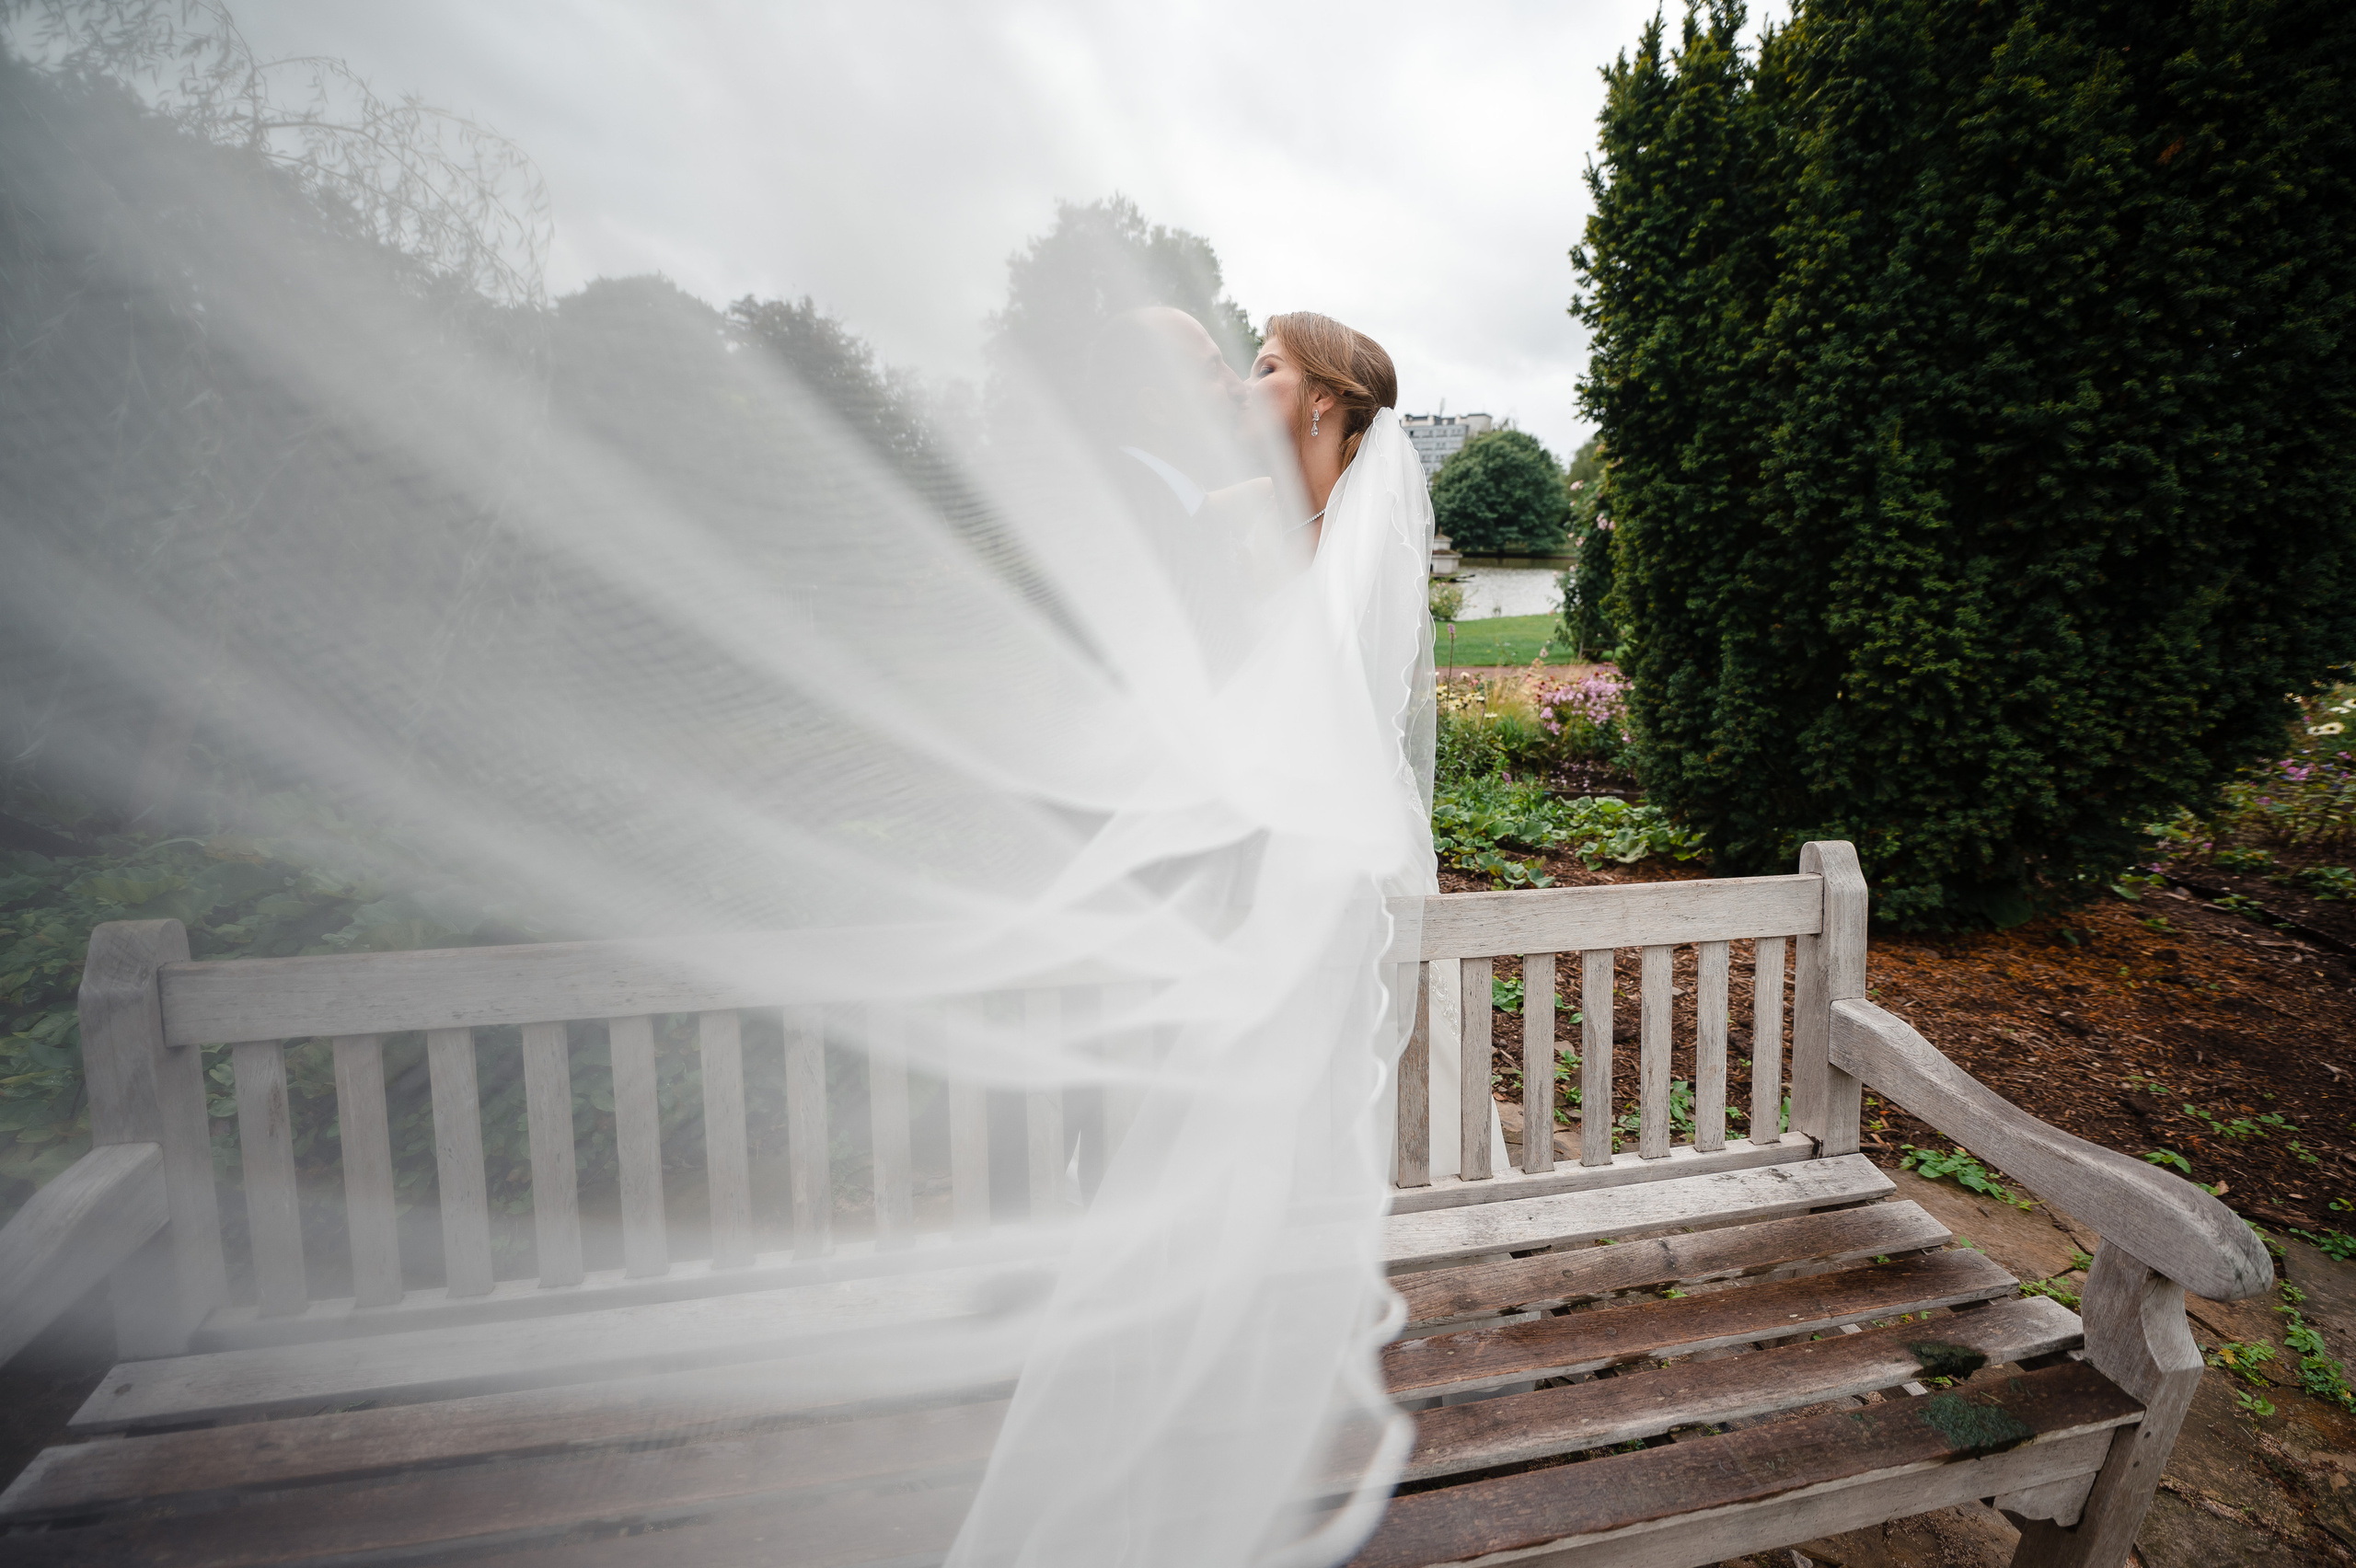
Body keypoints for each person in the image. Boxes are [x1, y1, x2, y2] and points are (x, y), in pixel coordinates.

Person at [1243, 310, 1512, 1182]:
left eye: (1266, 368)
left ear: (1321, 401)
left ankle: (1438, 1219)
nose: (1246, 388)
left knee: (1382, 1054)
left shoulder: (1365, 549)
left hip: (1342, 845)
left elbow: (1330, 719)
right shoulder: (1271, 524)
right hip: (1300, 838)